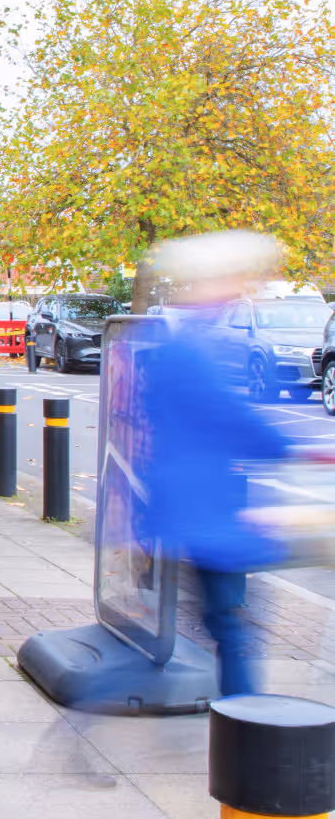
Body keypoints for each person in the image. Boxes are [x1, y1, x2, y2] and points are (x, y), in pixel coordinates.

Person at [138, 230, 292, 697]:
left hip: (189, 505)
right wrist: (293, 448)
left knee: (223, 621)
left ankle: (241, 724)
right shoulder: (194, 347)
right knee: (232, 625)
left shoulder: (184, 340)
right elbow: (230, 416)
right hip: (207, 511)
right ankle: (246, 731)